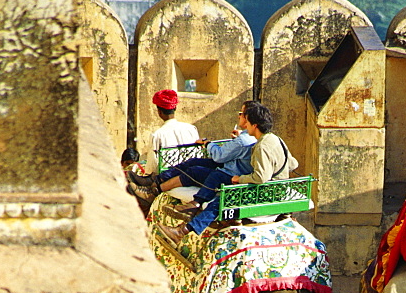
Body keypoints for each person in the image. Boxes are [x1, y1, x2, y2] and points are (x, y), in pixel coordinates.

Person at [158, 103, 298, 246]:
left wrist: (240, 178)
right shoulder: (275, 139)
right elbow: (293, 164)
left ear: (255, 125)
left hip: (267, 191)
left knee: (222, 201)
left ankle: (181, 231)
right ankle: (191, 212)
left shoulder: (261, 146)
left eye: (248, 123)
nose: (246, 126)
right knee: (218, 178)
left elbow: (260, 178)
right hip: (277, 187)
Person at [127, 101, 258, 204]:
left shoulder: (157, 134)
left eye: (241, 113)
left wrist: (207, 143)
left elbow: (219, 156)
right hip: (230, 166)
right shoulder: (191, 128)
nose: (238, 116)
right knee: (193, 162)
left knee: (193, 171)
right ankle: (155, 180)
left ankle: (153, 192)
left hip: (230, 173)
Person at [145, 89, 199, 174]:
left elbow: (152, 167)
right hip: (193, 174)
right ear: (175, 108)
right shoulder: (192, 129)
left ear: (159, 112)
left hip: (168, 178)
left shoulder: (157, 135)